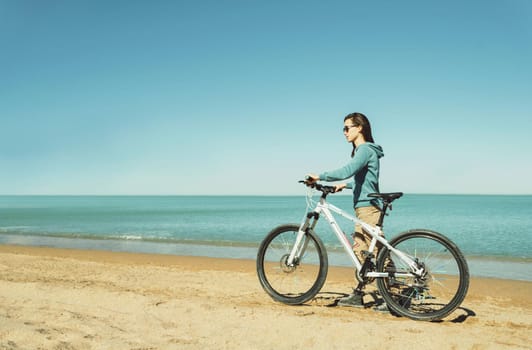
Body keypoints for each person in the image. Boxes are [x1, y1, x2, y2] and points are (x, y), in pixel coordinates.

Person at [306, 112, 386, 309]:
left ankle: (394, 296)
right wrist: (345, 186)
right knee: (362, 251)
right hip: (365, 205)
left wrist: (320, 176)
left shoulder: (365, 150)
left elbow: (346, 170)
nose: (344, 132)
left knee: (374, 251)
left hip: (368, 207)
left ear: (359, 128)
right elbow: (365, 181)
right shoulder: (365, 151)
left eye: (347, 127)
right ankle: (358, 295)